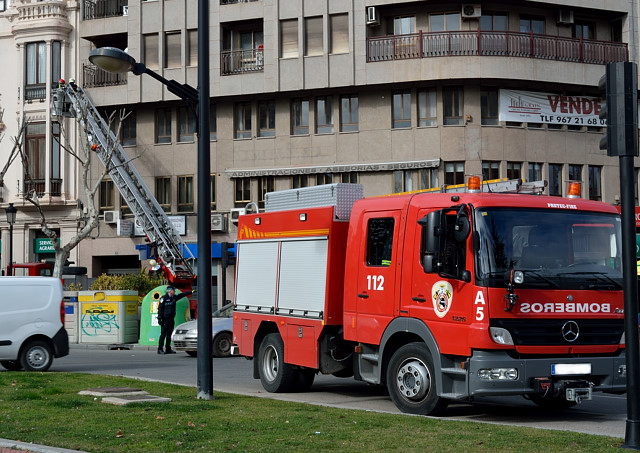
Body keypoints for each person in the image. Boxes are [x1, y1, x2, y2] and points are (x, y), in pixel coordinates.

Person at [157, 285, 192, 354]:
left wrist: (191, 292)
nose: (174, 291)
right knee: (163, 334)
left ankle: (168, 348)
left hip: (171, 319)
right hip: (165, 319)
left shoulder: (174, 298)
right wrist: (159, 318)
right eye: (173, 290)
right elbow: (160, 309)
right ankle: (160, 349)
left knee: (169, 334)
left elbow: (182, 295)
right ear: (170, 291)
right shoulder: (163, 298)